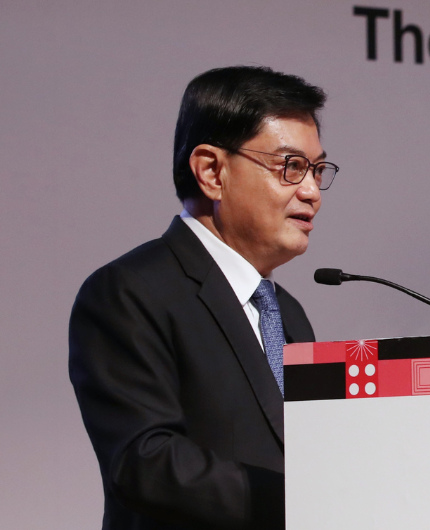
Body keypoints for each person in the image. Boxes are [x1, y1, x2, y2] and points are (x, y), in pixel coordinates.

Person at [69, 66, 336, 529]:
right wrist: (305, 500)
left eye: (316, 169)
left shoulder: (286, 311)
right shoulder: (130, 291)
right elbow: (145, 463)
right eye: (291, 167)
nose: (312, 191)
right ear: (212, 171)